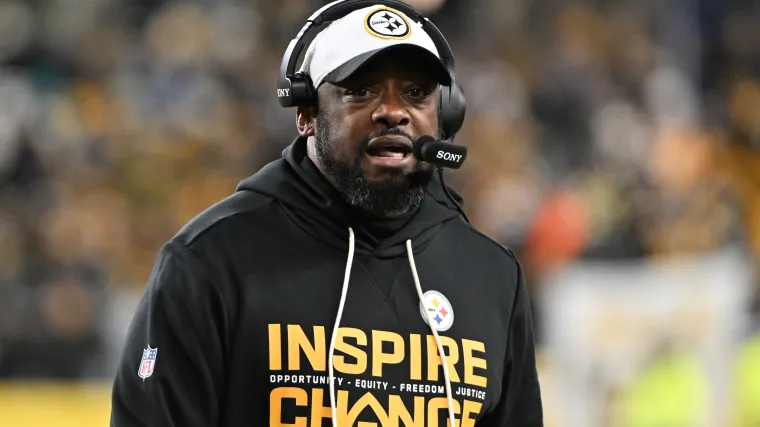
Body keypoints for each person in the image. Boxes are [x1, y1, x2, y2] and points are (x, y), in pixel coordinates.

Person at [110, 2, 543, 426]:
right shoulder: (211, 259)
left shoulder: (492, 275)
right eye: (361, 91)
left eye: (416, 93)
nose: (393, 112)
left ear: (445, 115)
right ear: (306, 113)